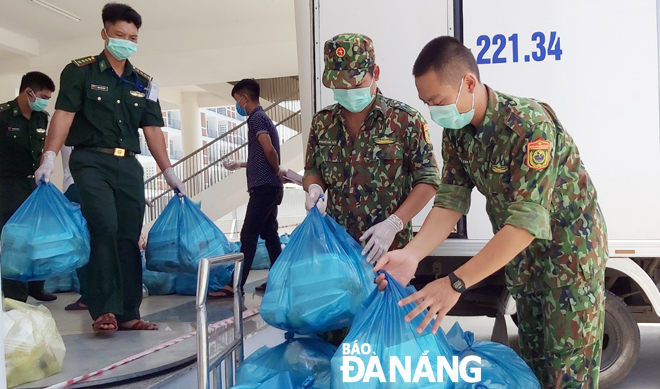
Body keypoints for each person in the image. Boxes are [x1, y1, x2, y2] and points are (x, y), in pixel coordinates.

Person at [375, 36, 607, 388]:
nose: (435, 112)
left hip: (569, 265)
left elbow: (525, 223)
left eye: (437, 101)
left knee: (566, 373)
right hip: (523, 265)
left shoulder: (528, 126)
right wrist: (411, 254)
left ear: (469, 82)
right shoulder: (457, 132)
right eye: (427, 103)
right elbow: (451, 200)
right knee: (533, 368)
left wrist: (455, 283)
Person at [35, 3, 185, 332]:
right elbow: (63, 114)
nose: (126, 42)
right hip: (91, 161)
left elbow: (153, 130)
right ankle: (103, 310)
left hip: (129, 166)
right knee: (103, 228)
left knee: (128, 237)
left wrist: (169, 171)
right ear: (105, 34)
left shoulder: (143, 82)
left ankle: (129, 312)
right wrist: (49, 156)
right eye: (119, 35)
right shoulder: (80, 71)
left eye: (132, 37)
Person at [303, 34, 440, 344]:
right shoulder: (323, 123)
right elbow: (313, 170)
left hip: (387, 260)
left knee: (386, 348)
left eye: (354, 83)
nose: (347, 92)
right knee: (336, 345)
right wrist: (313, 190)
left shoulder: (404, 120)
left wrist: (395, 222)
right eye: (339, 86)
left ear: (375, 73)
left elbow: (429, 179)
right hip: (336, 257)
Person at [213, 79, 285, 298]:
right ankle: (279, 280)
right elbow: (263, 155)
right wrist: (242, 164)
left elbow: (269, 150)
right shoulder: (262, 119)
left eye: (237, 100)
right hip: (270, 187)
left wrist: (277, 170)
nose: (238, 106)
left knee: (249, 234)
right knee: (269, 234)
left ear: (245, 98)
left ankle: (235, 285)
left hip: (264, 187)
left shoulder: (256, 119)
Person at [0, 71, 57, 303]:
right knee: (15, 242)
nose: (45, 101)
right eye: (43, 96)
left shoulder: (42, 117)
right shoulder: (3, 115)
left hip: (33, 185)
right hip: (7, 186)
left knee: (37, 237)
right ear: (28, 92)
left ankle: (36, 285)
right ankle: (15, 296)